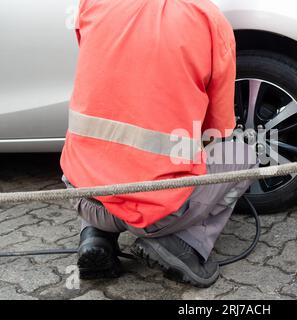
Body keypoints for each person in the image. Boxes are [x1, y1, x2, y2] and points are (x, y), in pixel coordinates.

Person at [61, 0, 258, 288]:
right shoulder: (206, 18)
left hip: (83, 196)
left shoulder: (92, 3)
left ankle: (95, 237)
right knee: (243, 154)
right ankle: (182, 243)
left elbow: (105, 70)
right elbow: (217, 130)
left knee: (102, 155)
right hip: (158, 215)